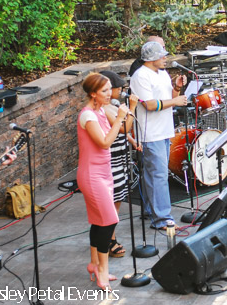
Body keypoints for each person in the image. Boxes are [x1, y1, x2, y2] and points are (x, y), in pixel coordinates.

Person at [77, 73, 129, 291]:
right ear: (93, 94)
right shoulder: (88, 116)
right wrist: (118, 118)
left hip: (104, 173)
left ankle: (94, 264)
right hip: (91, 175)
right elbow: (105, 143)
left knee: (99, 220)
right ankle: (102, 272)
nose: (110, 93)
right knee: (108, 220)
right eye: (105, 90)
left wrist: (119, 118)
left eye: (110, 89)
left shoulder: (99, 111)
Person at [130, 41, 188, 230]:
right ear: (152, 58)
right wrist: (176, 101)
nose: (165, 59)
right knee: (159, 176)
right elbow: (150, 105)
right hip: (150, 133)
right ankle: (162, 219)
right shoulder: (140, 76)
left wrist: (177, 88)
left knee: (153, 175)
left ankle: (150, 210)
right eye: (162, 56)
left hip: (164, 130)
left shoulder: (162, 73)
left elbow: (167, 96)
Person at [99, 70, 139, 258]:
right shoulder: (104, 109)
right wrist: (131, 107)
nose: (121, 91)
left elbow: (122, 130)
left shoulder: (113, 105)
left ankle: (109, 236)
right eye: (118, 89)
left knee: (118, 199)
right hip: (111, 159)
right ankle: (109, 239)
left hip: (120, 157)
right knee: (111, 201)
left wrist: (132, 142)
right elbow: (123, 127)